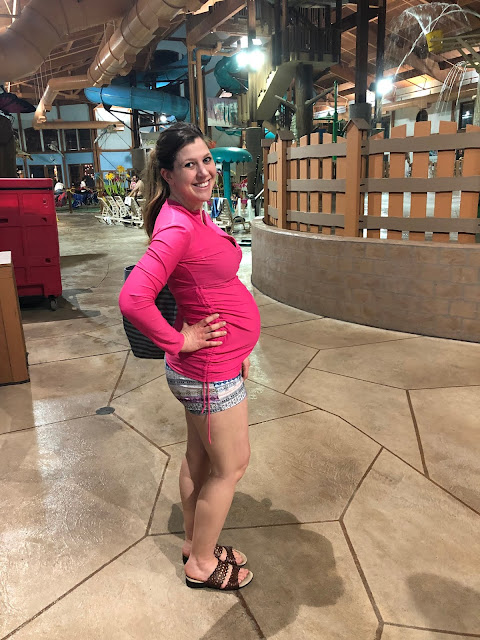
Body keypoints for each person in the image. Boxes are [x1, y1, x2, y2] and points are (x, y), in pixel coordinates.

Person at [119, 123, 260, 591]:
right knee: (230, 467)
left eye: (206, 160)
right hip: (206, 373)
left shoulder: (190, 213)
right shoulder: (179, 225)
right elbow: (133, 298)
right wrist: (180, 341)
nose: (204, 172)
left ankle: (193, 542)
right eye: (189, 165)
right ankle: (201, 564)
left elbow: (194, 286)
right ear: (168, 174)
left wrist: (235, 348)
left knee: (199, 460)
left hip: (214, 367)